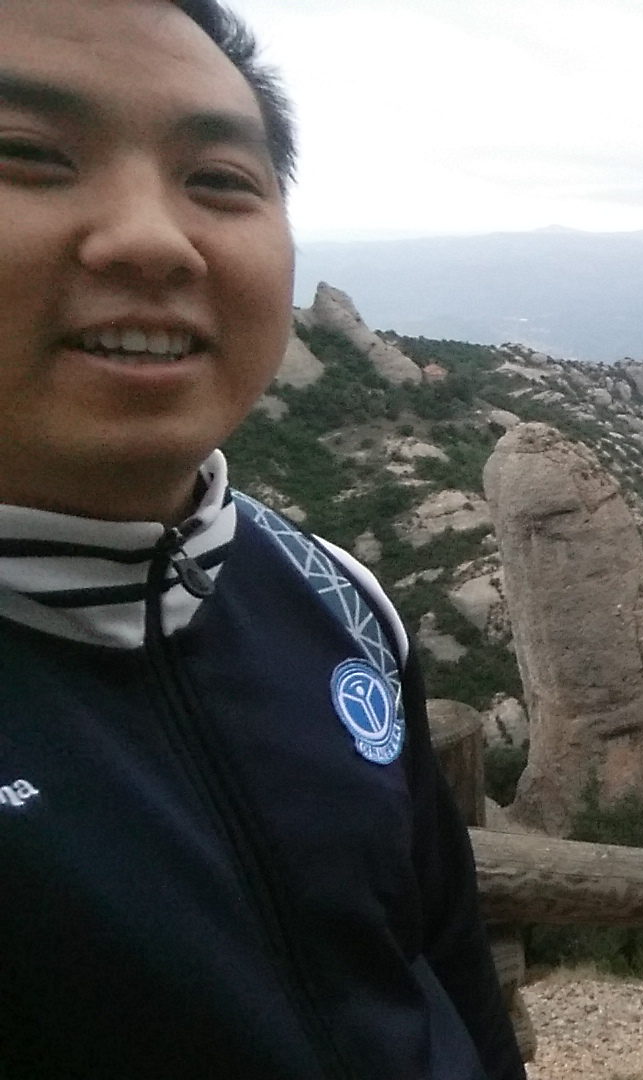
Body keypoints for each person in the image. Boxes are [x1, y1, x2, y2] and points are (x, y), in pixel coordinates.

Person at [0, 1, 524, 1076]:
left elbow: (449, 970)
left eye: (221, 180)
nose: (152, 236)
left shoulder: (337, 602)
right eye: (26, 155)